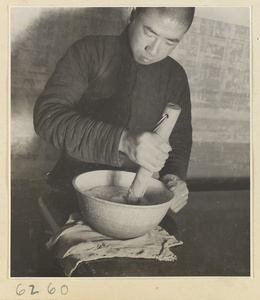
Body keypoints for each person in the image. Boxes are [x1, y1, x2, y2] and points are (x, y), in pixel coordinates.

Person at [33, 7, 195, 219]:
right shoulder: (90, 50)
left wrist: (173, 177)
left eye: (170, 42)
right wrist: (123, 141)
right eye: (149, 33)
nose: (153, 50)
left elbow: (179, 137)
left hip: (132, 204)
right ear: (133, 15)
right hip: (68, 194)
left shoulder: (175, 76)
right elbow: (48, 117)